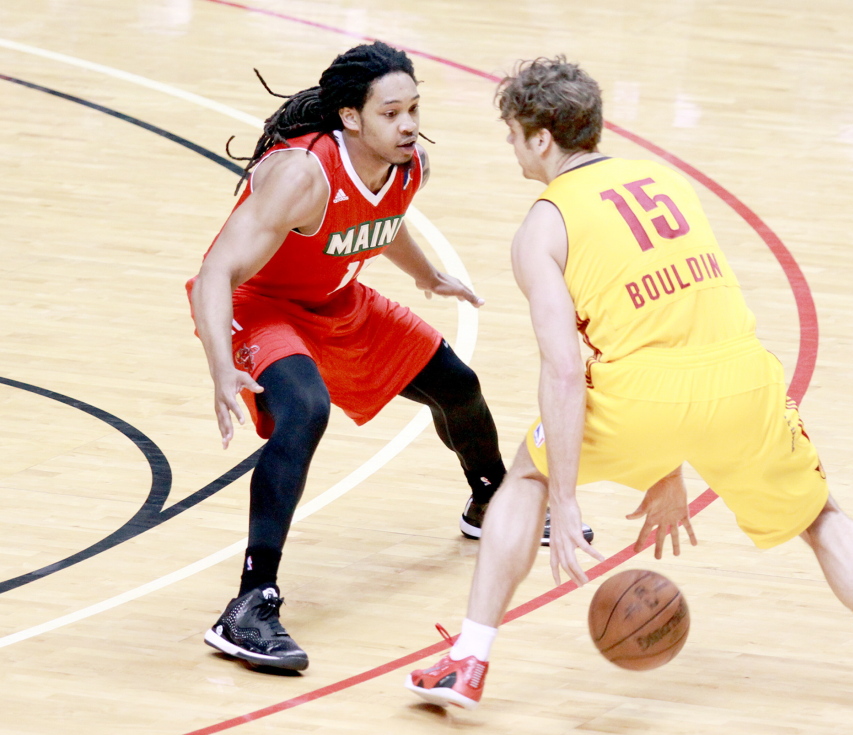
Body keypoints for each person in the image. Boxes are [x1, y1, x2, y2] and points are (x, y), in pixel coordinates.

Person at [406, 56, 853, 730]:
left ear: (542, 139)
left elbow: (561, 368)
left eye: (513, 133)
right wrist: (670, 460)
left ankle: (468, 660)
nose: (509, 145)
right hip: (744, 381)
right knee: (823, 518)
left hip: (639, 395)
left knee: (522, 478)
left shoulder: (542, 228)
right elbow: (680, 315)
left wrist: (564, 494)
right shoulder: (668, 181)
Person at [188, 41, 569, 672]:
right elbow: (215, 272)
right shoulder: (301, 174)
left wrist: (429, 274)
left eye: (414, 108)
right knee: (305, 410)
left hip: (338, 300)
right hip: (258, 306)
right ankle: (250, 606)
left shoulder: (408, 164)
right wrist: (219, 366)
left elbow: (382, 220)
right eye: (392, 113)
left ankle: (491, 503)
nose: (410, 124)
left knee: (457, 385)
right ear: (350, 117)